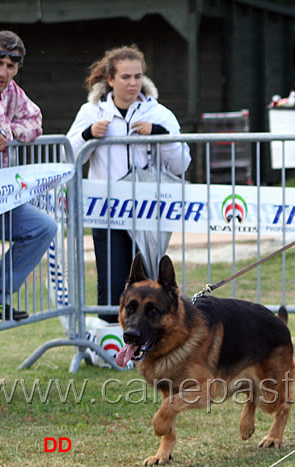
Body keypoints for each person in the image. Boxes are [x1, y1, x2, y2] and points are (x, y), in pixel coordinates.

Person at [67, 45, 191, 323]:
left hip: (148, 211)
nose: (133, 83)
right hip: (106, 211)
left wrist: (160, 135)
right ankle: (109, 345)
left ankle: (147, 343)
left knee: (147, 284)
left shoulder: (159, 113)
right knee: (111, 282)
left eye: (137, 76)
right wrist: (87, 135)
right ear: (110, 80)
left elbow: (182, 163)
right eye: (125, 77)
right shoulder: (91, 112)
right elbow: (68, 155)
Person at [0, 30, 57, 322]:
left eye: (11, 66)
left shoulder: (13, 93)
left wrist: (8, 132)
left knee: (43, 227)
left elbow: (34, 122)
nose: (3, 71)